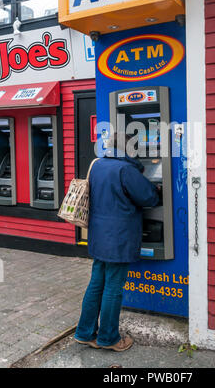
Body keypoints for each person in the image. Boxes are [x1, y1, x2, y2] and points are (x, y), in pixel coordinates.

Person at [74, 134, 159, 352]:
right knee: (113, 288)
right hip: (118, 238)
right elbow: (149, 197)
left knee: (96, 284)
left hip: (99, 235)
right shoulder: (126, 170)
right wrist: (156, 190)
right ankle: (109, 338)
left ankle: (85, 333)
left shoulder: (98, 165)